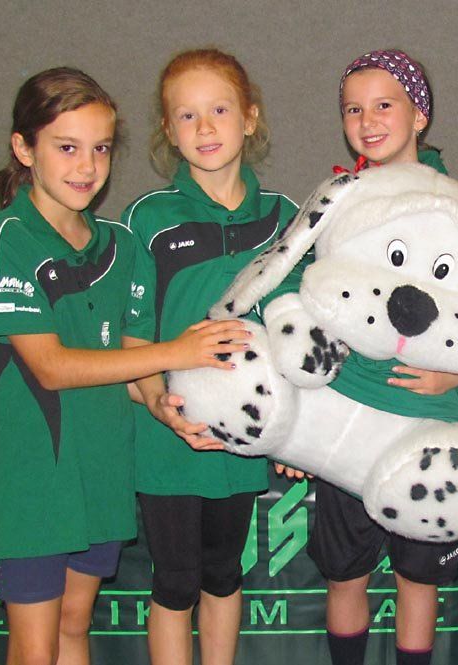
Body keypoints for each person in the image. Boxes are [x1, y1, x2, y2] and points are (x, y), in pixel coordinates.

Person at [0, 67, 248, 665]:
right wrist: (177, 353)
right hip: (37, 477)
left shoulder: (120, 245)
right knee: (35, 648)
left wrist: (163, 405)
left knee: (75, 625)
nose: (87, 167)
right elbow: (50, 366)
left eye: (100, 149)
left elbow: (130, 359)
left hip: (103, 472)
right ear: (24, 149)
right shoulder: (3, 240)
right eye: (66, 148)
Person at [120, 49, 299, 665]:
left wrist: (297, 433)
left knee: (223, 574)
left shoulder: (285, 218)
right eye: (187, 116)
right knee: (175, 584)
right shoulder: (148, 219)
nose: (204, 128)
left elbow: (302, 336)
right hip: (169, 444)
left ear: (249, 118)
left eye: (219, 111)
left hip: (243, 444)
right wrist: (160, 406)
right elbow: (133, 345)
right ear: (169, 132)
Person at [304, 49, 458, 665]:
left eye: (384, 105)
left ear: (419, 114)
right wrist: (302, 421)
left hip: (427, 426)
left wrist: (456, 372)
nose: (367, 120)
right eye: (353, 109)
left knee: (417, 581)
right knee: (345, 576)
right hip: (346, 424)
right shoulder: (335, 204)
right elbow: (302, 307)